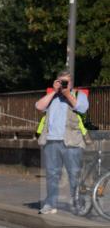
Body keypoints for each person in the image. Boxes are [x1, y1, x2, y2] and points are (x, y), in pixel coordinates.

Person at [36, 69, 90, 214]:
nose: (63, 84)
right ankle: (50, 204)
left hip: (72, 142)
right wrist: (54, 91)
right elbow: (39, 106)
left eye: (66, 81)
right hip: (51, 141)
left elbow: (82, 108)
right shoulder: (52, 96)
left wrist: (67, 93)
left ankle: (77, 203)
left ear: (71, 83)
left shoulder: (79, 95)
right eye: (61, 81)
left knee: (74, 174)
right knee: (52, 174)